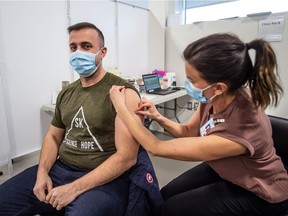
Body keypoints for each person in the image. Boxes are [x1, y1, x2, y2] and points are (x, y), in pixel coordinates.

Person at [109, 33, 288, 216]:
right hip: (226, 169)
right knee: (164, 196)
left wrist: (120, 108)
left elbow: (155, 147)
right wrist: (157, 116)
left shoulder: (244, 127)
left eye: (192, 80)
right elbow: (188, 132)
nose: (188, 84)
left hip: (261, 193)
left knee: (171, 210)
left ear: (219, 87)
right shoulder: (212, 96)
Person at [0, 22, 160, 216]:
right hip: (61, 168)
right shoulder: (66, 93)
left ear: (102, 52)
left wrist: (73, 188)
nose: (78, 53)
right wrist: (42, 172)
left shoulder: (122, 92)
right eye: (73, 47)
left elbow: (127, 157)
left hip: (104, 177)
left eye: (86, 46)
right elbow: (53, 137)